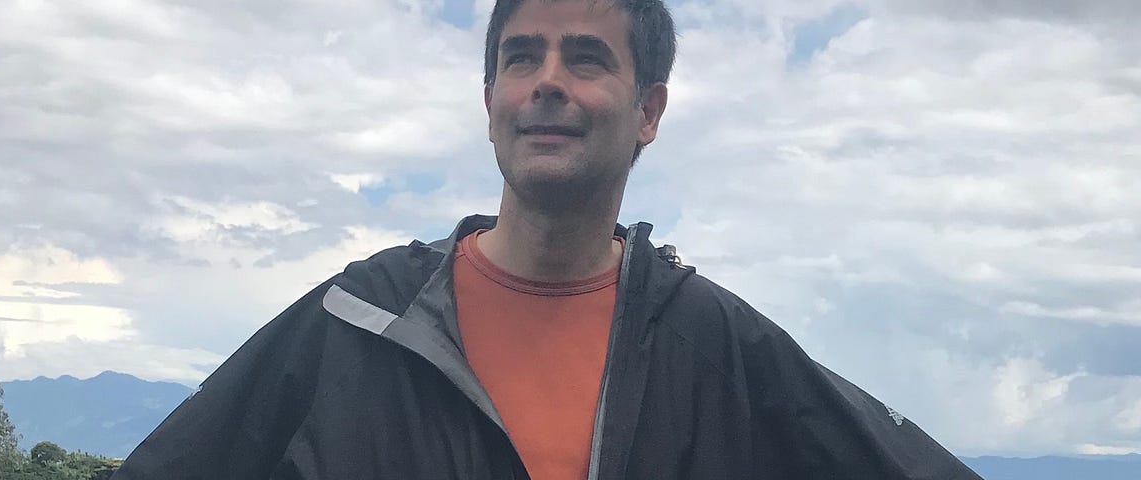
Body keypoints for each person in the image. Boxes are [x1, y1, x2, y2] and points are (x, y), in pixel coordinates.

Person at [114, 0, 982, 478]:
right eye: (522, 57)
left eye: (588, 59)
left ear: (649, 111)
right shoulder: (359, 319)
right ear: (489, 97)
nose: (548, 83)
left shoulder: (707, 341)